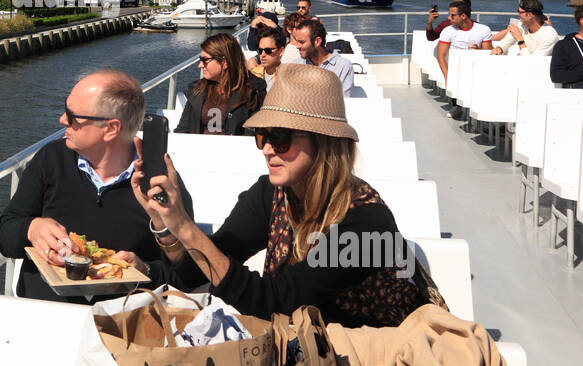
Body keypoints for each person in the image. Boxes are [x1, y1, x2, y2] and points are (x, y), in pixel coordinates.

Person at [131, 65, 444, 326]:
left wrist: (186, 227)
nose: (267, 148)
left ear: (324, 143)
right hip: (306, 354)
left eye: (280, 137)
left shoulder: (365, 221)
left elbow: (275, 302)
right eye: (263, 135)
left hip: (375, 359)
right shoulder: (272, 193)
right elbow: (196, 274)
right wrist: (165, 223)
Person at [0, 69, 193, 302]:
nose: (62, 120)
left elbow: (187, 275)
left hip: (122, 323)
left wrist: (146, 270)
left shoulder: (159, 183)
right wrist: (31, 228)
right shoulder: (51, 159)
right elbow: (5, 236)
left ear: (111, 128)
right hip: (43, 311)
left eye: (73, 116)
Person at [175, 33, 266, 135]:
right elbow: (182, 130)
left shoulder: (253, 92)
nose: (200, 65)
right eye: (201, 60)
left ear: (225, 62)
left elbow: (255, 135)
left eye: (205, 60)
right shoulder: (197, 90)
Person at [291, 18, 355, 96]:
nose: (297, 46)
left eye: (301, 42)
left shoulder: (343, 66)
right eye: (297, 41)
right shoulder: (295, 65)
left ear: (317, 41)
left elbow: (344, 101)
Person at [434, 0, 492, 82]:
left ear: (463, 16)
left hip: (476, 69)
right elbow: (440, 55)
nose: (449, 17)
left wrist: (478, 51)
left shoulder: (484, 30)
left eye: (452, 15)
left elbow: (488, 54)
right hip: (455, 69)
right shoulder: (447, 31)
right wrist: (447, 76)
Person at [491, 0, 559, 56]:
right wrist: (500, 48)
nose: (518, 14)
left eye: (520, 12)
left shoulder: (549, 35)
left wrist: (520, 40)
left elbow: (533, 63)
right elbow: (507, 41)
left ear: (530, 15)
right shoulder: (521, 25)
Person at [247, 27, 285, 91]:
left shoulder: (288, 78)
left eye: (268, 50)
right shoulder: (253, 75)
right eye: (260, 50)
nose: (263, 55)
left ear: (281, 51)